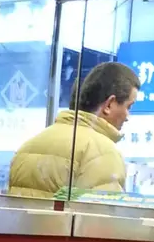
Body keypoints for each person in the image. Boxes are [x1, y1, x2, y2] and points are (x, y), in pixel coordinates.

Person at [8, 62, 139, 199]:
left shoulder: (28, 146)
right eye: (128, 107)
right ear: (109, 104)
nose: (127, 117)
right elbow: (103, 212)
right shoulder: (104, 153)